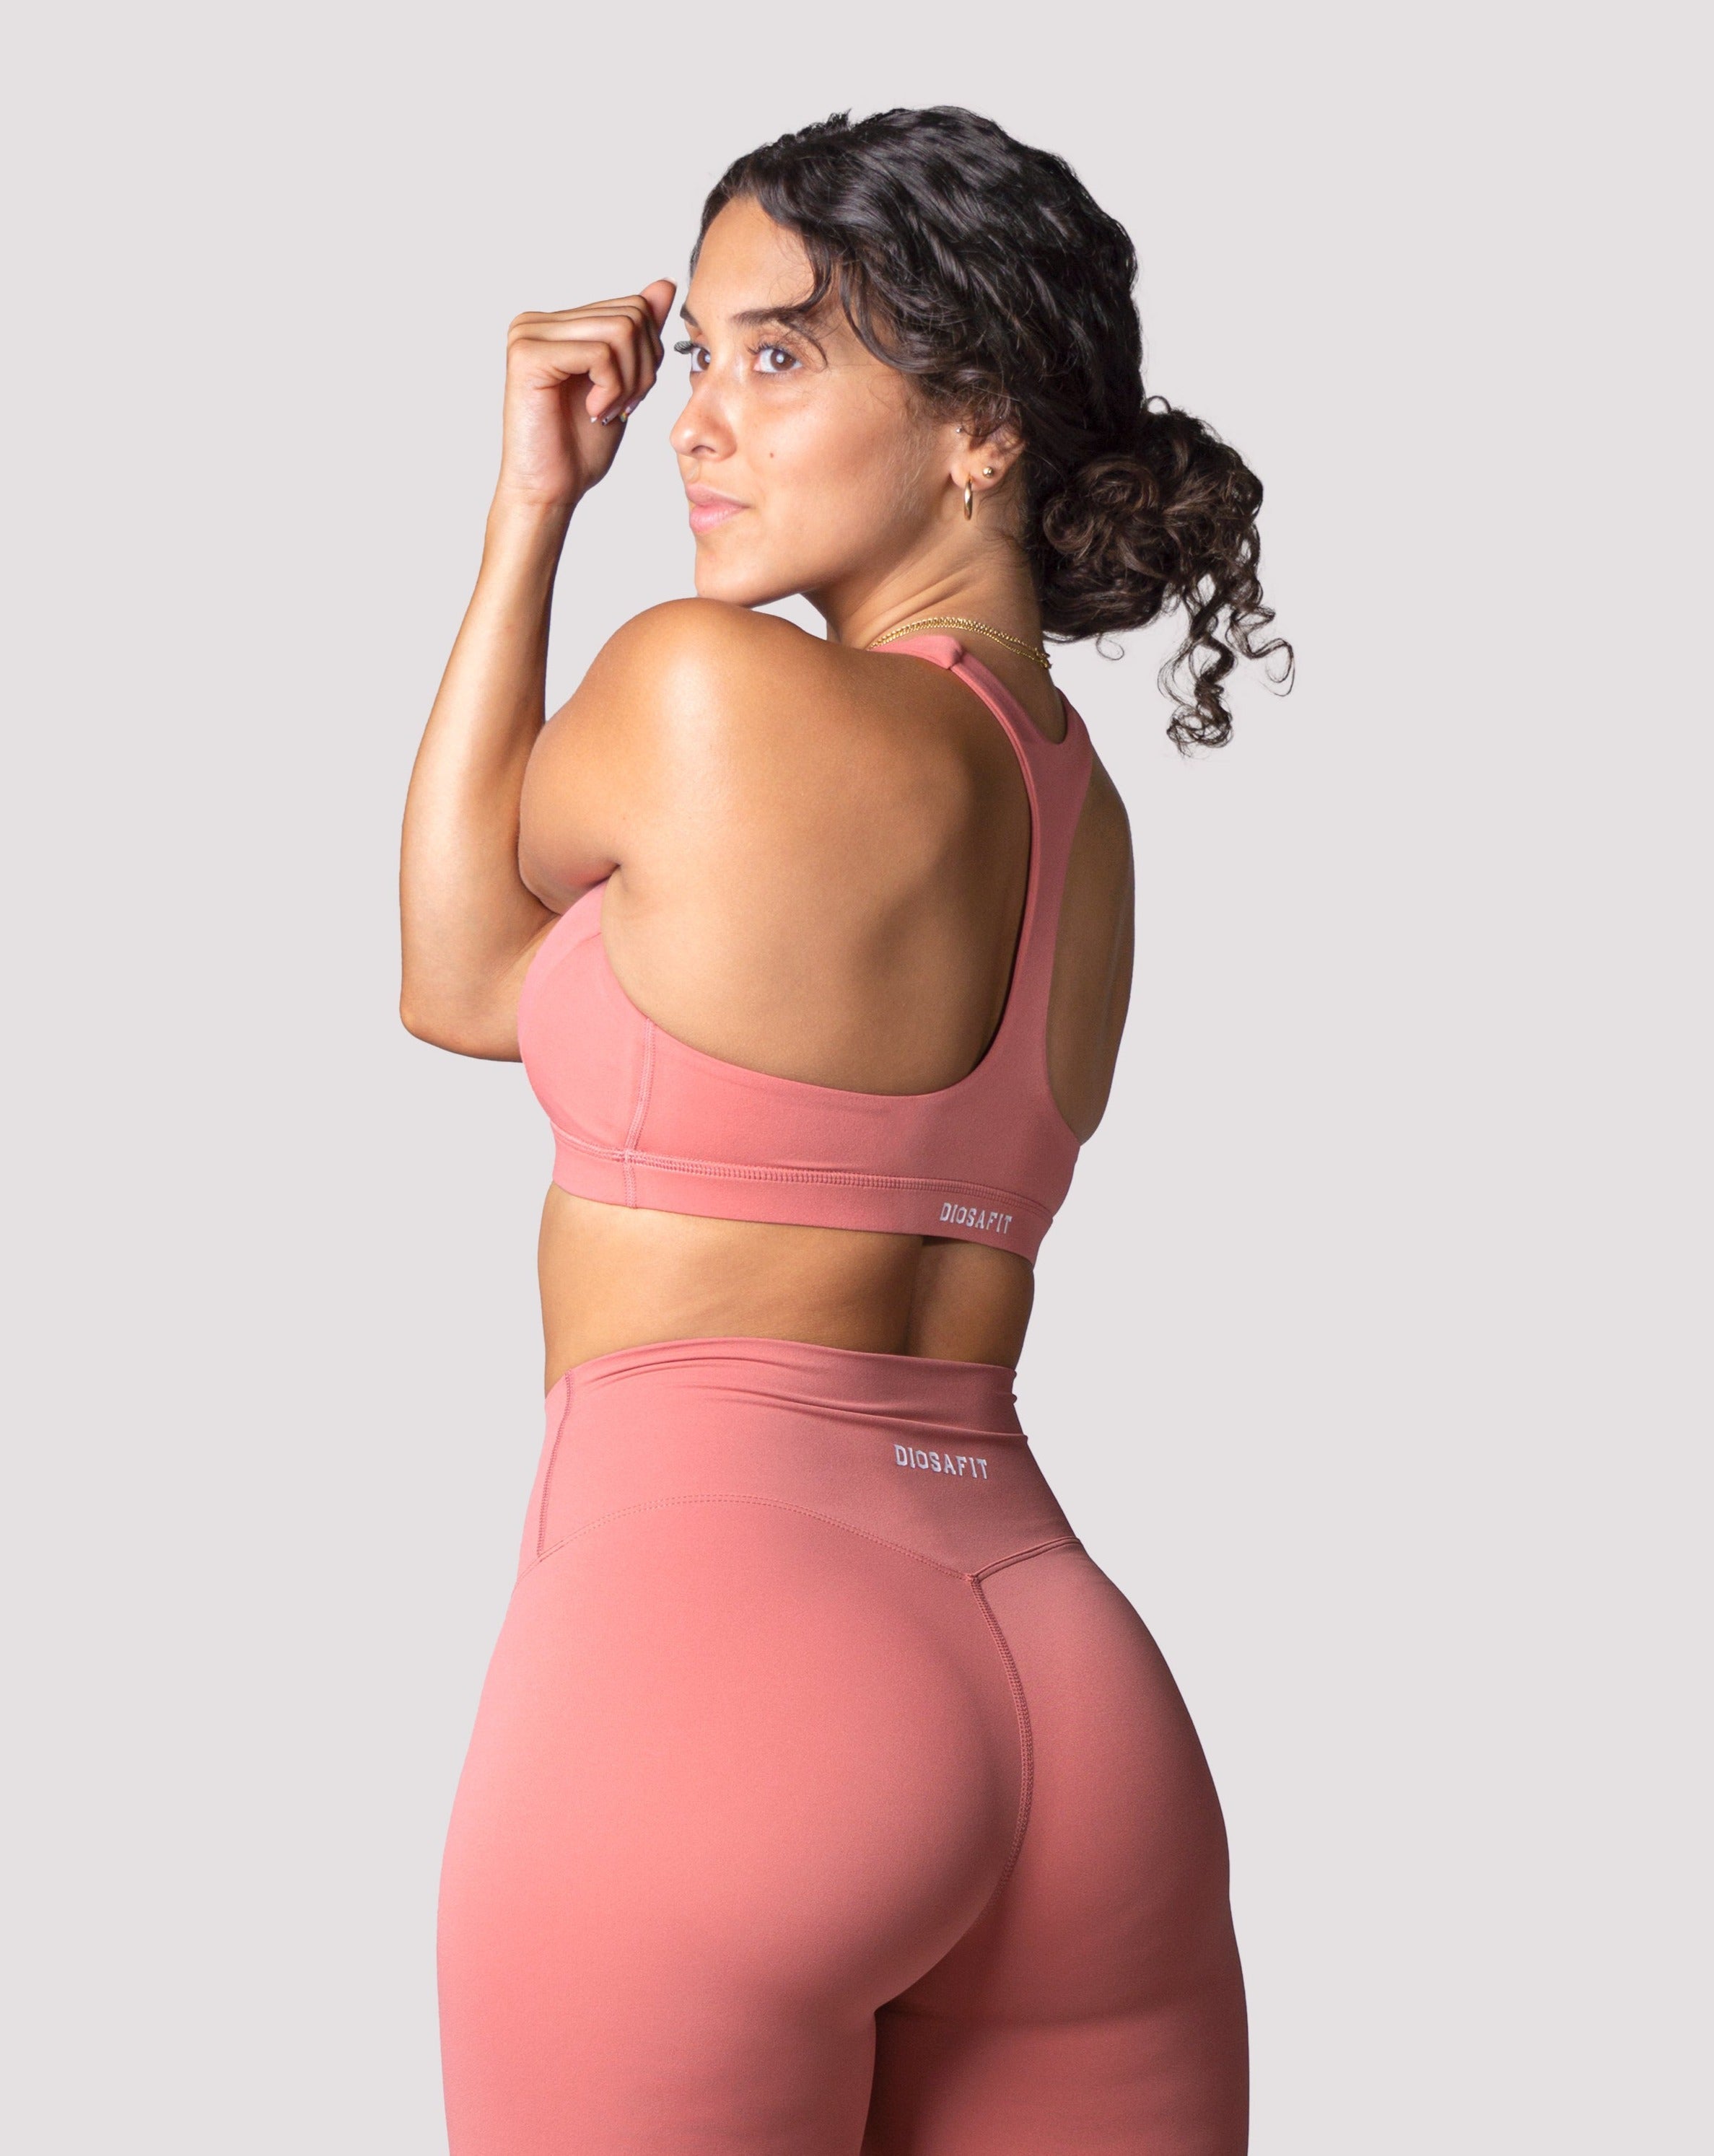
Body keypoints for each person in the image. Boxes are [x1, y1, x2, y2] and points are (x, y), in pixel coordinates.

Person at [401, 105, 1288, 2156]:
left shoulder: (701, 691)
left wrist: (529, 513)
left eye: (780, 355)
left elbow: (456, 973)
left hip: (716, 1668)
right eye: (701, 356)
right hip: (1073, 1706)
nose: (700, 423)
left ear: (982, 424)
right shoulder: (1085, 818)